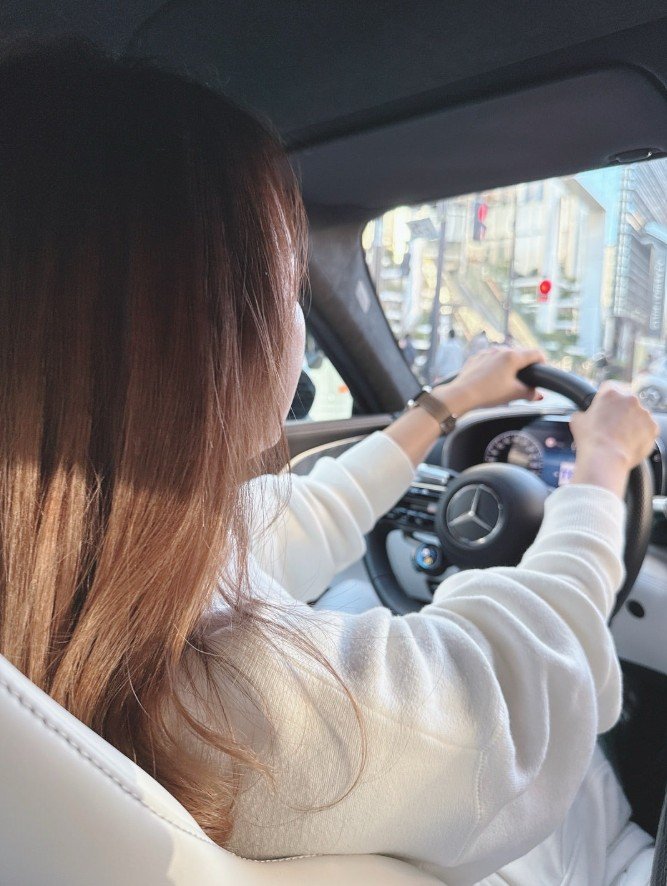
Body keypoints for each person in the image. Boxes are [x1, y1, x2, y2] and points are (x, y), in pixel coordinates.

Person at [0, 39, 659, 885]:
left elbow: (290, 519)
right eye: (289, 286)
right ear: (201, 340)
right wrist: (600, 473)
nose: (295, 319)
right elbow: (522, 688)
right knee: (591, 785)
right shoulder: (248, 703)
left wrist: (445, 407)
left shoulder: (73, 579)